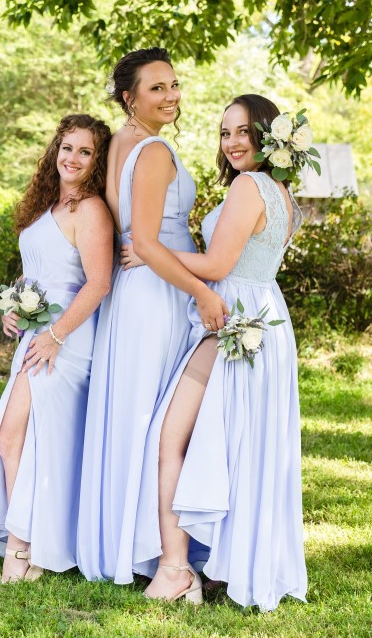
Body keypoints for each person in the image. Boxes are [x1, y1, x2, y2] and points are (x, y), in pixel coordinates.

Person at [120, 94, 307, 610]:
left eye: (244, 132)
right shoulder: (283, 194)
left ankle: (177, 567)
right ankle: (222, 562)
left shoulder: (250, 186)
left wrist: (149, 252)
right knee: (239, 447)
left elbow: (220, 264)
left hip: (235, 318)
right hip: (265, 317)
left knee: (169, 435)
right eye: (225, 133)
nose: (232, 143)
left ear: (269, 136)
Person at [75, 47, 229, 588]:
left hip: (138, 288)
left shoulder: (121, 143)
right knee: (163, 422)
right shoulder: (155, 150)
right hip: (163, 290)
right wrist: (202, 294)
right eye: (156, 88)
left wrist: (146, 247)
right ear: (129, 97)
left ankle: (137, 545)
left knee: (139, 412)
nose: (171, 96)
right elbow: (143, 237)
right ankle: (165, 556)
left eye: (174, 84)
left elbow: (132, 234)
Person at [0, 114, 114, 582]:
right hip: (38, 335)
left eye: (85, 151)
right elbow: (36, 271)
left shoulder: (90, 209)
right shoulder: (44, 207)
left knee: (13, 435)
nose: (72, 158)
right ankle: (29, 542)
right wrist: (13, 305)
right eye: (67, 147)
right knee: (19, 438)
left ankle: (23, 548)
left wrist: (56, 337)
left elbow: (97, 283)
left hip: (67, 338)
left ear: (97, 162)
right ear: (55, 150)